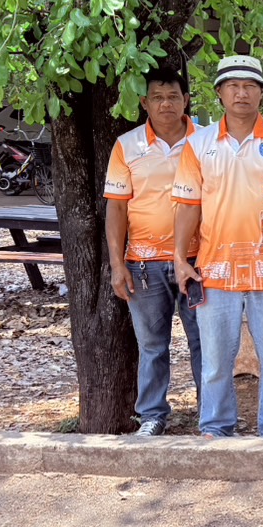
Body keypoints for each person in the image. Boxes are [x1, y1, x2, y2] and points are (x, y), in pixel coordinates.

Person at [173, 54, 263, 438]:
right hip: (214, 269)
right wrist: (180, 258)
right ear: (219, 92)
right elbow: (188, 205)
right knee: (217, 361)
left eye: (250, 86)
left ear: (261, 93)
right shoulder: (198, 143)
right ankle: (216, 427)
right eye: (233, 86)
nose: (241, 93)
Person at [104, 65, 204, 436]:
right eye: (157, 98)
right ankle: (152, 416)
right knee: (152, 345)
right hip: (143, 264)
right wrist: (117, 265)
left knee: (205, 343)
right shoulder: (127, 145)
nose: (166, 104)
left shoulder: (207, 142)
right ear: (144, 103)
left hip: (198, 261)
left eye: (173, 97)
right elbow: (116, 208)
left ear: (186, 100)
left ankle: (211, 416)